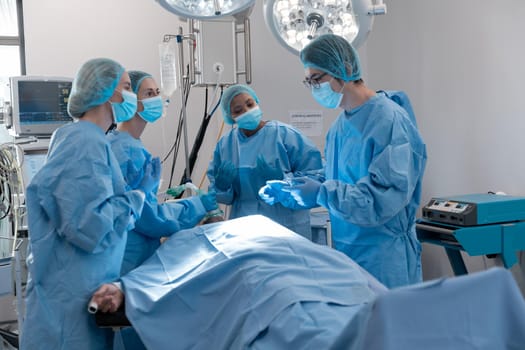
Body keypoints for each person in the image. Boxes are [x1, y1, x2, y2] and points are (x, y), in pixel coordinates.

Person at [259, 34, 427, 288]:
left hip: (384, 256)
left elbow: (379, 200)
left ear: (345, 69)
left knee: (391, 325)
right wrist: (291, 187)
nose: (314, 88)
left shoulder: (389, 121)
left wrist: (321, 193)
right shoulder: (340, 126)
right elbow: (335, 174)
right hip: (348, 251)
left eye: (317, 79)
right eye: (308, 82)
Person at [20, 58, 160, 350]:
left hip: (82, 295)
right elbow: (90, 228)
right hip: (66, 309)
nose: (130, 96)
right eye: (125, 88)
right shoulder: (84, 142)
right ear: (106, 92)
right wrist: (136, 197)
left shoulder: (88, 140)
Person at [107, 70, 220, 350]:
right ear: (130, 99)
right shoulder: (127, 152)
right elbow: (150, 218)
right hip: (130, 262)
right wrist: (198, 205)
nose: (158, 99)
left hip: (126, 257)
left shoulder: (126, 145)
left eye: (158, 93)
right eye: (149, 94)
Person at [207, 84, 323, 239]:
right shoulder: (226, 145)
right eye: (238, 110)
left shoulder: (285, 135)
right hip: (244, 228)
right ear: (230, 117)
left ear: (257, 102)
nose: (247, 111)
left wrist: (284, 180)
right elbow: (224, 197)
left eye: (250, 104)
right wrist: (222, 186)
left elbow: (315, 179)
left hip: (286, 227)